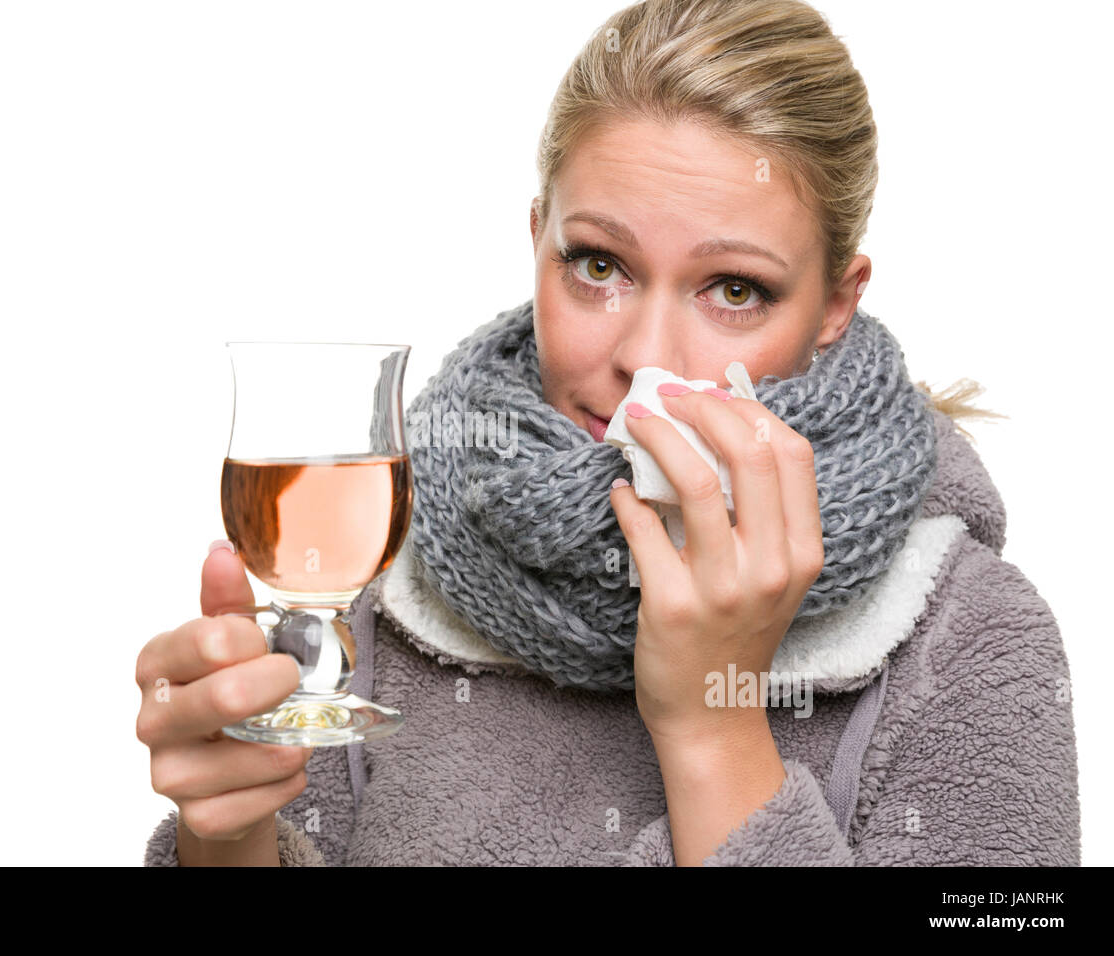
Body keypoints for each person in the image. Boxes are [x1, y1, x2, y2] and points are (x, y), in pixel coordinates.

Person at [136, 0, 1080, 866]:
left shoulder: (968, 636)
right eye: (598, 264)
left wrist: (714, 723)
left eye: (735, 290)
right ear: (538, 239)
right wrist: (230, 842)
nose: (644, 356)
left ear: (836, 303)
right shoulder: (375, 570)